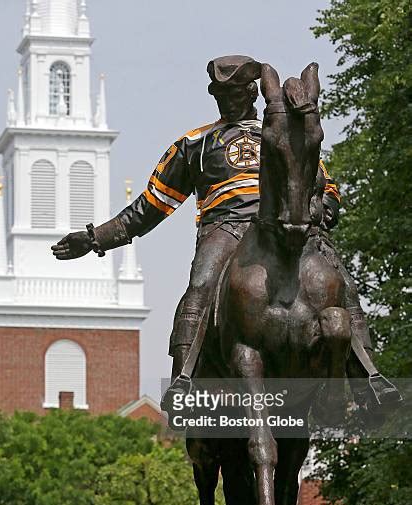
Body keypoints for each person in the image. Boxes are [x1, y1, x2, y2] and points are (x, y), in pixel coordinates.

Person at [51, 55, 384, 406]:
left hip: (287, 226)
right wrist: (94, 238)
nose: (229, 100)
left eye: (237, 92)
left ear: (253, 92)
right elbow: (150, 206)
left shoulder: (284, 132)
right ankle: (184, 378)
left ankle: (367, 375)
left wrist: (326, 207)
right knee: (202, 283)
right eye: (221, 94)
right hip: (225, 228)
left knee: (340, 279)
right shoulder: (194, 144)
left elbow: (324, 183)